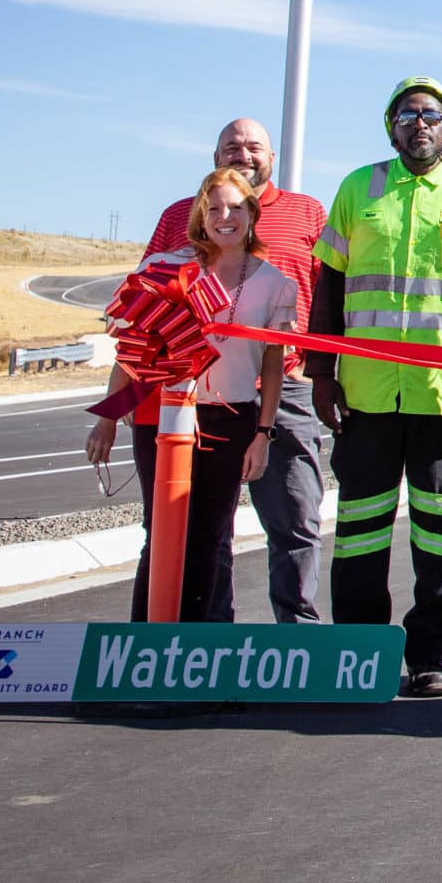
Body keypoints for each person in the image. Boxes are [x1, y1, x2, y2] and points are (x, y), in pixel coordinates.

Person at [309, 76, 442, 698]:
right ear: (390, 126)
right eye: (407, 114)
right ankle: (360, 655)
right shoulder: (358, 188)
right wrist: (321, 374)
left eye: (432, 114)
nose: (420, 123)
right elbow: (328, 284)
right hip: (367, 397)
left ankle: (430, 655)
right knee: (360, 531)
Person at [130, 118, 329, 623]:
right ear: (214, 155)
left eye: (253, 146)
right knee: (203, 529)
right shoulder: (179, 215)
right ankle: (210, 642)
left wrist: (323, 372)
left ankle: (295, 639)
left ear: (272, 156)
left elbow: (329, 296)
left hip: (281, 390)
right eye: (231, 146)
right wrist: (126, 399)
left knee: (294, 519)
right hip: (192, 396)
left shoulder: (307, 212)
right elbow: (145, 308)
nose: (243, 153)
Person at [85, 168, 295, 623]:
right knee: (159, 530)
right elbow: (131, 350)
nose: (226, 217)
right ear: (200, 214)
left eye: (236, 207)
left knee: (208, 536)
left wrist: (263, 432)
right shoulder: (165, 269)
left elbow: (273, 364)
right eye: (215, 207)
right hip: (163, 419)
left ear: (252, 214)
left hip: (232, 417)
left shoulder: (275, 283)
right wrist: (106, 418)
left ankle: (191, 652)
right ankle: (144, 645)